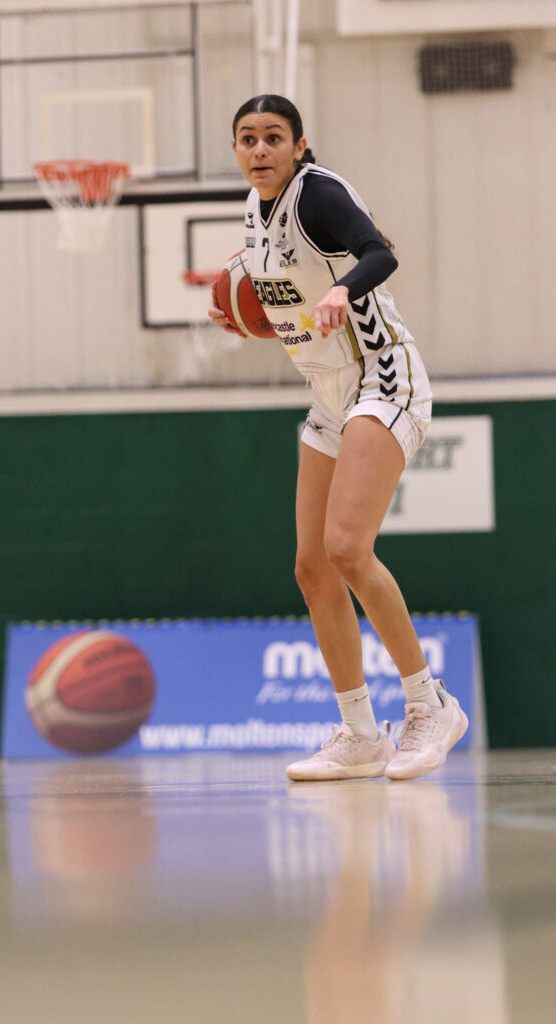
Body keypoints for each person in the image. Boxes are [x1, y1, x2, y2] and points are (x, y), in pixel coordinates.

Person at [209, 95, 468, 782]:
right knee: (312, 568)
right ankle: (359, 732)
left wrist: (343, 290)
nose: (259, 149)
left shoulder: (317, 194)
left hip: (384, 378)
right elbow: (286, 301)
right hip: (328, 394)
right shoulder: (253, 212)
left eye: (272, 137)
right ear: (234, 149)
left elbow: (380, 254)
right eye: (246, 138)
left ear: (298, 145)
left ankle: (431, 705)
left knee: (348, 549)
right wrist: (241, 314)